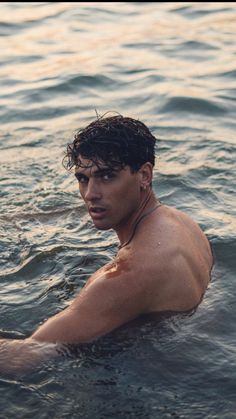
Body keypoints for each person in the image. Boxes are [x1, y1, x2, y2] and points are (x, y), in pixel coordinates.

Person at [0, 114, 213, 374]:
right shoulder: (182, 223)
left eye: (107, 176)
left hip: (148, 380)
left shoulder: (128, 275)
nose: (90, 194)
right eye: (83, 179)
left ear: (144, 175)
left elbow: (23, 359)